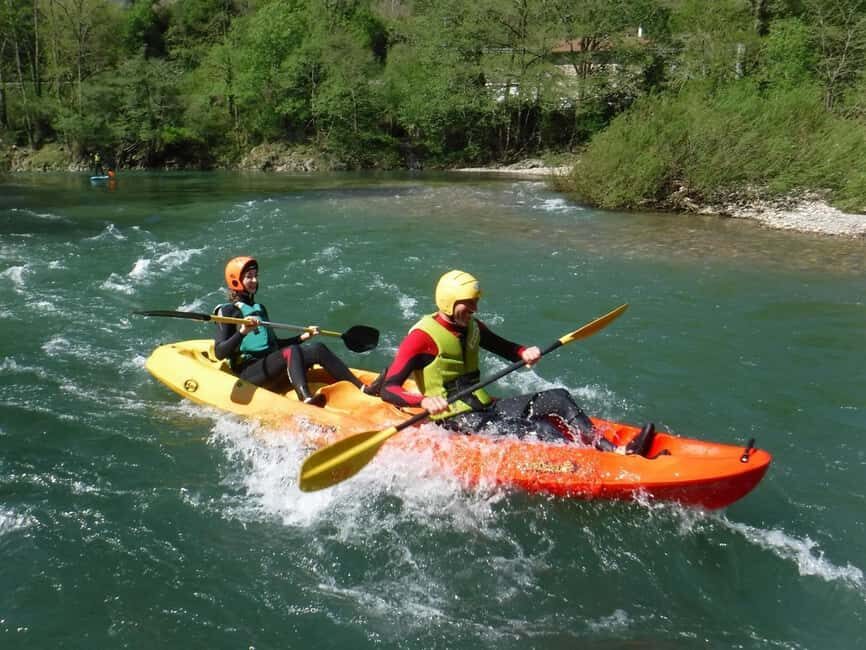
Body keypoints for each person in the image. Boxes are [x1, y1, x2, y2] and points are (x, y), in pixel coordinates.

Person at [378, 270, 655, 454]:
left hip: (485, 406)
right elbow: (389, 389)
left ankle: (610, 450)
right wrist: (423, 402)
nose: (474, 308)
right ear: (449, 302)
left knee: (558, 397)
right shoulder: (420, 338)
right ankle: (590, 462)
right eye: (468, 303)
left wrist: (523, 352)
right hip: (454, 418)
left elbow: (505, 347)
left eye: (475, 302)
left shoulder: (473, 327)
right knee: (543, 429)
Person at [213, 256, 369, 406]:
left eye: (255, 276)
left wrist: (302, 337)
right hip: (249, 372)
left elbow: (275, 346)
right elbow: (219, 352)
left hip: (270, 366)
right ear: (236, 280)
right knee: (291, 351)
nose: (254, 280)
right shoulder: (227, 311)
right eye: (249, 277)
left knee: (317, 348)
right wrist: (243, 332)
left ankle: (362, 388)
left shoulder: (259, 308)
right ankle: (306, 398)